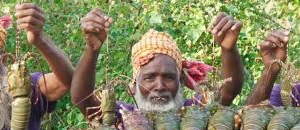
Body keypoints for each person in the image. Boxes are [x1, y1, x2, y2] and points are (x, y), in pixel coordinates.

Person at [71, 9, 244, 116]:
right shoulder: (123, 117)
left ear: (181, 81)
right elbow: (83, 101)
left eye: (168, 77)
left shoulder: (195, 112)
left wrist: (228, 49)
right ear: (133, 85)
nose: (159, 86)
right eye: (149, 77)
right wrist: (92, 49)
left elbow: (227, 93)